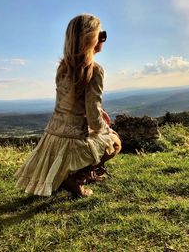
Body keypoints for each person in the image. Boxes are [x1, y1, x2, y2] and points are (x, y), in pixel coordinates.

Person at [14, 14, 121, 198]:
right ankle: (77, 178)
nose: (103, 39)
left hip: (53, 133)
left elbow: (68, 102)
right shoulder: (95, 69)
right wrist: (105, 128)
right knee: (115, 141)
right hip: (74, 137)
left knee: (103, 137)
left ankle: (81, 173)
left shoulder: (63, 67)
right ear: (92, 39)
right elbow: (94, 116)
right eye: (101, 35)